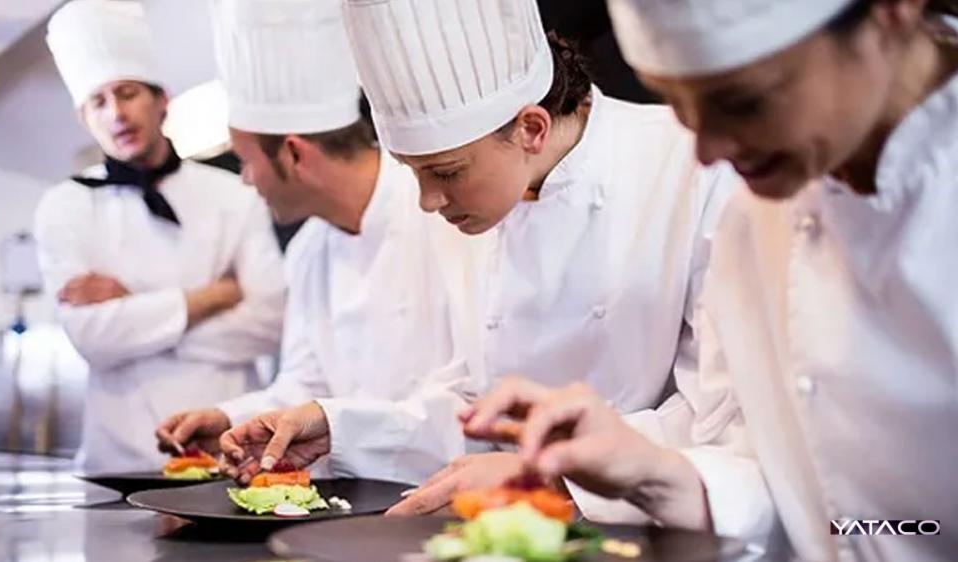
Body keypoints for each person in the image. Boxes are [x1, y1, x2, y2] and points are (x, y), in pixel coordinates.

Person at [463, 0, 958, 559]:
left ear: (892, 12)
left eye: (742, 101)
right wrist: (656, 472)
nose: (708, 151)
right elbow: (823, 510)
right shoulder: (758, 219)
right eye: (678, 104)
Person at [222, 0, 738, 516]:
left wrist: (551, 472)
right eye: (412, 171)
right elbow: (476, 405)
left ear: (531, 129)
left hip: (657, 527)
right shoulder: (480, 206)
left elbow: (714, 420)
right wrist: (339, 426)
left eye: (445, 172)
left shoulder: (693, 170)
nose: (427, 201)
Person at [155, 0, 477, 485]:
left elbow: (472, 393)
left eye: (246, 160)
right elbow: (304, 384)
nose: (246, 181)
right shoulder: (308, 249)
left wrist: (343, 426)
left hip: (450, 496)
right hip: (345, 503)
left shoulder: (444, 211)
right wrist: (228, 418)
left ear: (294, 153)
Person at [35, 0, 285, 472]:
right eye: (98, 102)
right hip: (115, 460)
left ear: (162, 99)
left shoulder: (235, 194)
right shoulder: (65, 204)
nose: (116, 114)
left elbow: (269, 322)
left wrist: (136, 310)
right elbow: (91, 338)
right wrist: (214, 296)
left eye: (127, 93)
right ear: (84, 118)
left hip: (226, 452)